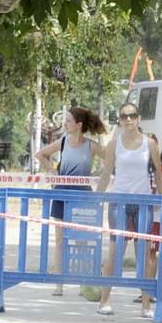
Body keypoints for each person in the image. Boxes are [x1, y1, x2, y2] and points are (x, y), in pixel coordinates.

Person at [94, 103, 162, 318]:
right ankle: (104, 300)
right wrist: (97, 197)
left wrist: (161, 200)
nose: (128, 120)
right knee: (115, 252)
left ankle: (145, 305)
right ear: (120, 120)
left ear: (139, 118)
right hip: (119, 201)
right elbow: (106, 173)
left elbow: (159, 174)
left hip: (143, 202)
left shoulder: (150, 143)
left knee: (144, 253)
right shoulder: (115, 144)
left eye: (132, 115)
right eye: (124, 116)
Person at [36, 106, 105, 296]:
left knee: (82, 240)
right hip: (62, 194)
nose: (64, 124)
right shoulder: (63, 142)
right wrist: (54, 170)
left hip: (83, 196)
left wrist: (97, 175)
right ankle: (59, 284)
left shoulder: (90, 146)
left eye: (68, 121)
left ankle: (84, 283)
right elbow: (40, 154)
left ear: (78, 124)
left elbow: (110, 160)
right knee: (60, 241)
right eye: (64, 120)